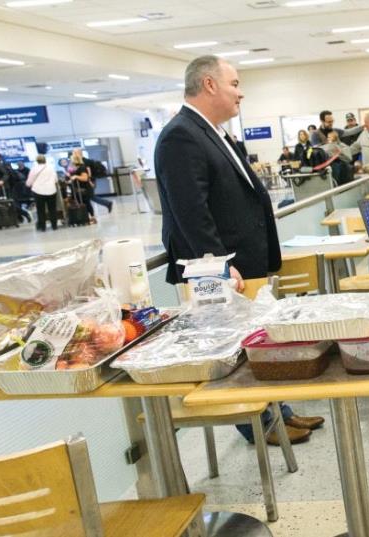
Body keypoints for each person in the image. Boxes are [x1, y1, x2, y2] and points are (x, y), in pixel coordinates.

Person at [154, 55, 323, 446]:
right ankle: (259, 425)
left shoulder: (212, 131)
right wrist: (216, 266)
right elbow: (190, 210)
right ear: (210, 84)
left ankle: (279, 413)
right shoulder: (181, 135)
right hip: (220, 273)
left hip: (245, 265)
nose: (241, 92)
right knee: (234, 350)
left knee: (259, 343)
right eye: (235, 84)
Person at [71, 148, 113, 214]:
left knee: (90, 197)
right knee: (90, 197)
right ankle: (106, 204)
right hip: (86, 182)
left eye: (74, 153)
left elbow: (88, 173)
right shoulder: (79, 162)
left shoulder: (85, 161)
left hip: (88, 181)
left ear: (79, 153)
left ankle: (105, 205)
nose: (73, 154)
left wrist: (90, 182)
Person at [25, 154, 59, 231]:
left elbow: (29, 182)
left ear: (37, 161)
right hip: (51, 190)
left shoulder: (34, 169)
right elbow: (56, 179)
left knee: (41, 210)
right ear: (45, 160)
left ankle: (43, 227)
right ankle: (54, 226)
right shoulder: (51, 168)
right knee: (52, 209)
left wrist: (28, 185)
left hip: (38, 192)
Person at [68, 151, 97, 223]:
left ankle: (92, 217)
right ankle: (85, 217)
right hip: (77, 189)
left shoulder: (82, 167)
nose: (70, 161)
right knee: (81, 203)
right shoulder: (75, 168)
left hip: (84, 189)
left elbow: (85, 178)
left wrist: (76, 176)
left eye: (71, 160)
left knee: (86, 203)